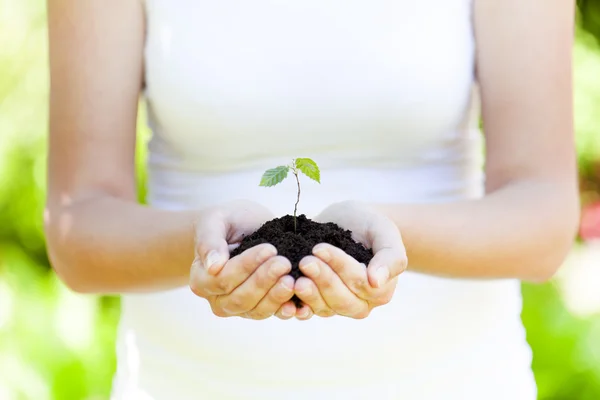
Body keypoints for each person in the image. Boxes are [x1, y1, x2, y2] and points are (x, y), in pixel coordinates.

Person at [44, 0, 579, 399]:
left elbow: (543, 218)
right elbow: (80, 227)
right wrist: (210, 247)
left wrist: (381, 242)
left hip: (453, 381)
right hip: (188, 383)